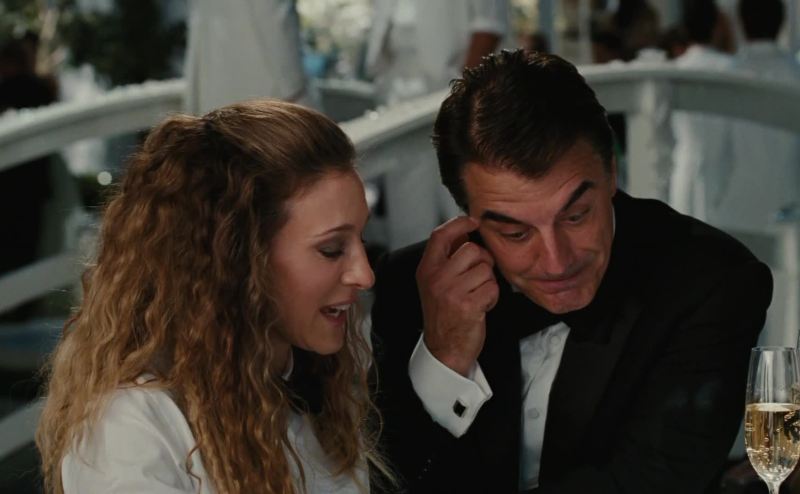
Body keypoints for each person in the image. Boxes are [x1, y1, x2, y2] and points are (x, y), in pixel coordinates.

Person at [370, 49, 772, 493]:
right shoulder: (410, 288)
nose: (557, 261)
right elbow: (385, 481)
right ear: (467, 217)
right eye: (516, 233)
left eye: (576, 215)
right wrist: (443, 361)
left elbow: (649, 484)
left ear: (612, 171)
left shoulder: (711, 282)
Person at [36, 99, 391, 493]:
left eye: (361, 239)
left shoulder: (319, 384)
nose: (365, 275)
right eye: (332, 249)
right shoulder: (131, 430)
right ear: (240, 259)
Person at [364, 0, 510, 250]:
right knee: (407, 212)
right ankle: (413, 271)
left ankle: (481, 266)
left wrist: (463, 94)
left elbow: (489, 25)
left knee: (463, 205)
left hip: (449, 92)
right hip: (397, 99)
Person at [711, 0, 800, 234]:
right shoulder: (796, 75)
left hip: (736, 215)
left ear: (740, 22)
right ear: (782, 21)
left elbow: (716, 154)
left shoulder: (725, 77)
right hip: (790, 213)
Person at [670, 0, 735, 223]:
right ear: (716, 26)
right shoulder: (730, 68)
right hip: (723, 171)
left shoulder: (675, 70)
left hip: (685, 168)